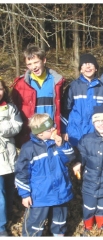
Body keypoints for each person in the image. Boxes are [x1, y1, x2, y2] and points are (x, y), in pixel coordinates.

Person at [14, 113, 75, 236]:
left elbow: (70, 157)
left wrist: (61, 145)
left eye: (53, 126)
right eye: (50, 128)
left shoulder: (57, 143)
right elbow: (22, 173)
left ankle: (58, 234)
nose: (54, 129)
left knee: (59, 221)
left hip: (60, 192)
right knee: (36, 223)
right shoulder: (29, 148)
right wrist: (25, 194)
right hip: (40, 195)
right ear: (40, 133)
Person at [72, 103, 103, 236]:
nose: (101, 124)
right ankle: (88, 226)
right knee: (89, 205)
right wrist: (79, 162)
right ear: (93, 122)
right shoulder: (87, 139)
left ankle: (102, 224)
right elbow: (82, 155)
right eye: (97, 121)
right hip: (90, 180)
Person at [11, 45, 65, 148]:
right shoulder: (20, 84)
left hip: (51, 132)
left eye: (36, 62)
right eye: (29, 64)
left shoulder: (56, 81)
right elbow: (15, 111)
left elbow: (60, 109)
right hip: (31, 135)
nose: (33, 67)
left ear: (44, 60)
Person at [61, 53, 103, 147]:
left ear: (96, 68)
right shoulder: (73, 87)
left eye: (91, 64)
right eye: (84, 64)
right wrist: (64, 130)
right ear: (81, 69)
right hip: (75, 133)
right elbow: (64, 111)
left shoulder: (102, 88)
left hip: (95, 132)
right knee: (76, 160)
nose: (88, 67)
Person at [0, 80, 23, 237]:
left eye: (0, 89)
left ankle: (7, 218)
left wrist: (2, 126)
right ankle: (1, 228)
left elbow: (16, 127)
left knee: (9, 191)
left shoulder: (11, 108)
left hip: (9, 157)